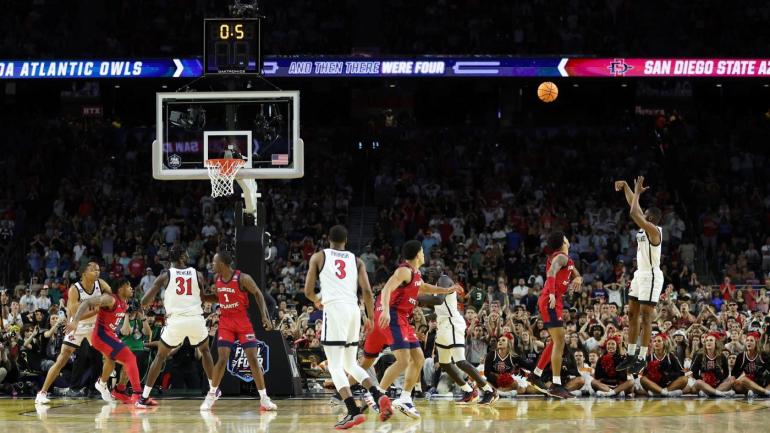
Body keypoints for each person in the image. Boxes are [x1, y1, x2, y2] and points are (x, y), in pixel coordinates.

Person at [303, 225, 392, 429]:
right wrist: (369, 317)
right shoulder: (356, 260)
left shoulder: (318, 257)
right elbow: (368, 292)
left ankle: (352, 412)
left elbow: (308, 291)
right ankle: (378, 395)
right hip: (354, 310)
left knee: (335, 365)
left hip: (334, 309)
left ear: (328, 239)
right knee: (351, 364)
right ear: (346, 241)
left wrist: (317, 300)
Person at [363, 240, 461, 419]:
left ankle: (405, 398)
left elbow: (424, 287)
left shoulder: (415, 274)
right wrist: (385, 310)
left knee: (419, 358)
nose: (424, 254)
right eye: (422, 251)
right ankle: (376, 394)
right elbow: (386, 290)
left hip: (403, 319)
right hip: (393, 315)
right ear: (417, 254)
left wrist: (448, 290)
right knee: (402, 360)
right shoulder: (404, 271)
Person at [136, 245, 215, 407]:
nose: (187, 256)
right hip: (195, 319)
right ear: (181, 258)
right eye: (185, 254)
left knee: (160, 357)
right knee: (206, 351)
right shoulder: (197, 274)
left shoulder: (165, 276)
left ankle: (144, 398)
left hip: (176, 321)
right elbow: (203, 298)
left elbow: (144, 301)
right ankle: (213, 391)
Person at [200, 250, 276, 412]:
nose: (212, 265)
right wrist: (205, 297)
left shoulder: (243, 278)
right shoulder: (217, 278)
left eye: (214, 262)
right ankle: (212, 394)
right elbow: (219, 297)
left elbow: (258, 293)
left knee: (253, 360)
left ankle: (264, 398)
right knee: (222, 358)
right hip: (226, 321)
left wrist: (264, 316)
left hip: (242, 321)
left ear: (222, 264)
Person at [36, 262, 112, 405]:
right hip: (77, 325)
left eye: (98, 269)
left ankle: (102, 385)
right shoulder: (74, 289)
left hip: (95, 326)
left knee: (110, 355)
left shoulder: (101, 284)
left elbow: (110, 299)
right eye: (93, 270)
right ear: (84, 273)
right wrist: (98, 308)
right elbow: (76, 313)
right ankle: (42, 392)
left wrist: (98, 307)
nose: (97, 272)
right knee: (63, 358)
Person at [64, 279, 149, 407]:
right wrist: (75, 320)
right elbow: (87, 302)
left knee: (114, 361)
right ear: (120, 288)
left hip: (110, 335)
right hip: (101, 335)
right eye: (128, 285)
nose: (131, 288)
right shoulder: (110, 299)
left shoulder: (124, 303)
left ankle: (112, 387)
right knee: (130, 358)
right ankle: (138, 395)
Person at [615, 176, 664, 374]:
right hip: (639, 275)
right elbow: (633, 206)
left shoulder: (654, 231)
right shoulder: (645, 227)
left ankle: (642, 357)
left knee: (645, 317)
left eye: (645, 214)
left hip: (651, 276)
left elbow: (634, 211)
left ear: (650, 219)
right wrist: (628, 187)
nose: (641, 215)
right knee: (632, 314)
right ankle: (631, 354)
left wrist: (636, 190)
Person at [528, 232, 583, 399]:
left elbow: (575, 273)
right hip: (550, 300)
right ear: (563, 242)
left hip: (555, 301)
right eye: (566, 237)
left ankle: (536, 375)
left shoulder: (568, 260)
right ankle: (556, 384)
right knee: (560, 342)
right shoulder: (560, 257)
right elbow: (551, 272)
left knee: (555, 342)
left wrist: (578, 278)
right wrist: (552, 293)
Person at [433, 274, 499, 405]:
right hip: (442, 324)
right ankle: (469, 391)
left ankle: (489, 390)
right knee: (444, 363)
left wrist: (415, 297)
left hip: (452, 323)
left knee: (460, 362)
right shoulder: (434, 287)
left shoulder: (444, 279)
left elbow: (439, 300)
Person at [690, 333, 735, 398]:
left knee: (731, 380)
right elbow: (693, 372)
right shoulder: (699, 356)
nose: (708, 342)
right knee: (698, 382)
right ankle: (720, 393)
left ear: (715, 343)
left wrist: (720, 378)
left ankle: (709, 393)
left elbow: (726, 372)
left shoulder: (722, 356)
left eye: (711, 340)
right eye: (707, 340)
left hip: (717, 384)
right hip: (703, 383)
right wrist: (702, 379)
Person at [732, 332, 770, 398]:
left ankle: (760, 391)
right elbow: (734, 373)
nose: (749, 342)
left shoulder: (763, 355)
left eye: (751, 340)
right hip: (748, 383)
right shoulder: (741, 356)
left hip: (763, 382)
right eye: (747, 340)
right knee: (738, 384)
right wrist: (735, 379)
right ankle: (761, 392)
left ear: (756, 343)